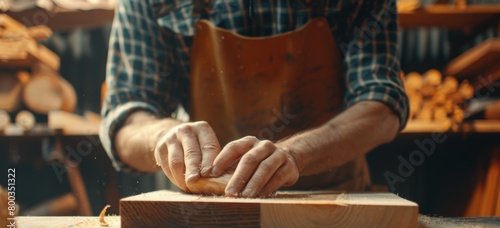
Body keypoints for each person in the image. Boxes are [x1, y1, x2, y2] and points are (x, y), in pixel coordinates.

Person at [100, 0, 409, 198]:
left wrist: (295, 154)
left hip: (332, 202)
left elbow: (381, 105)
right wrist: (160, 135)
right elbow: (125, 115)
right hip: (211, 212)